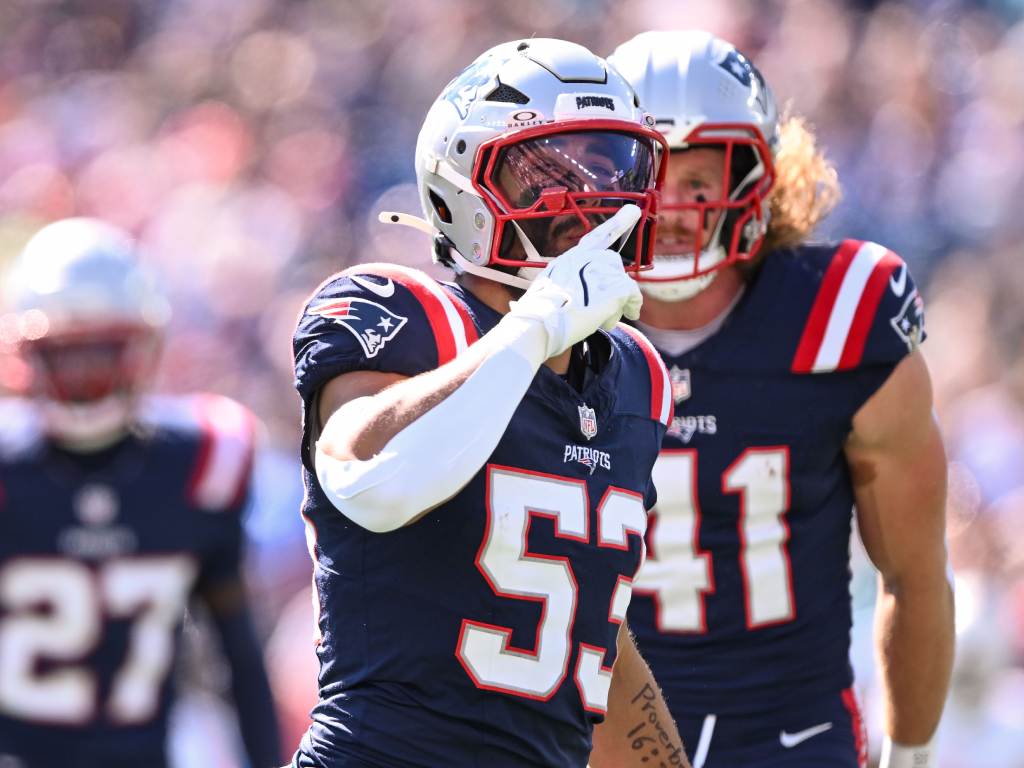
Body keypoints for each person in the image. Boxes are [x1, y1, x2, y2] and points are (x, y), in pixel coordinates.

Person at [290, 38, 690, 768]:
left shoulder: (636, 375)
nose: (592, 201)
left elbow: (590, 631)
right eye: (548, 170)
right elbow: (369, 480)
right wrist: (529, 333)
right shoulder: (400, 313)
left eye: (614, 168)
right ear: (463, 185)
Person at [606, 30, 954, 768]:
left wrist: (912, 757)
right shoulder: (551, 333)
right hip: (598, 740)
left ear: (755, 182)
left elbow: (914, 572)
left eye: (697, 183)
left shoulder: (843, 318)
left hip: (790, 739)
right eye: (650, 178)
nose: (670, 210)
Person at [0, 218, 282, 768]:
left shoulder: (200, 461)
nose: (86, 377)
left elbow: (239, 658)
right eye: (68, 356)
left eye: (103, 354)